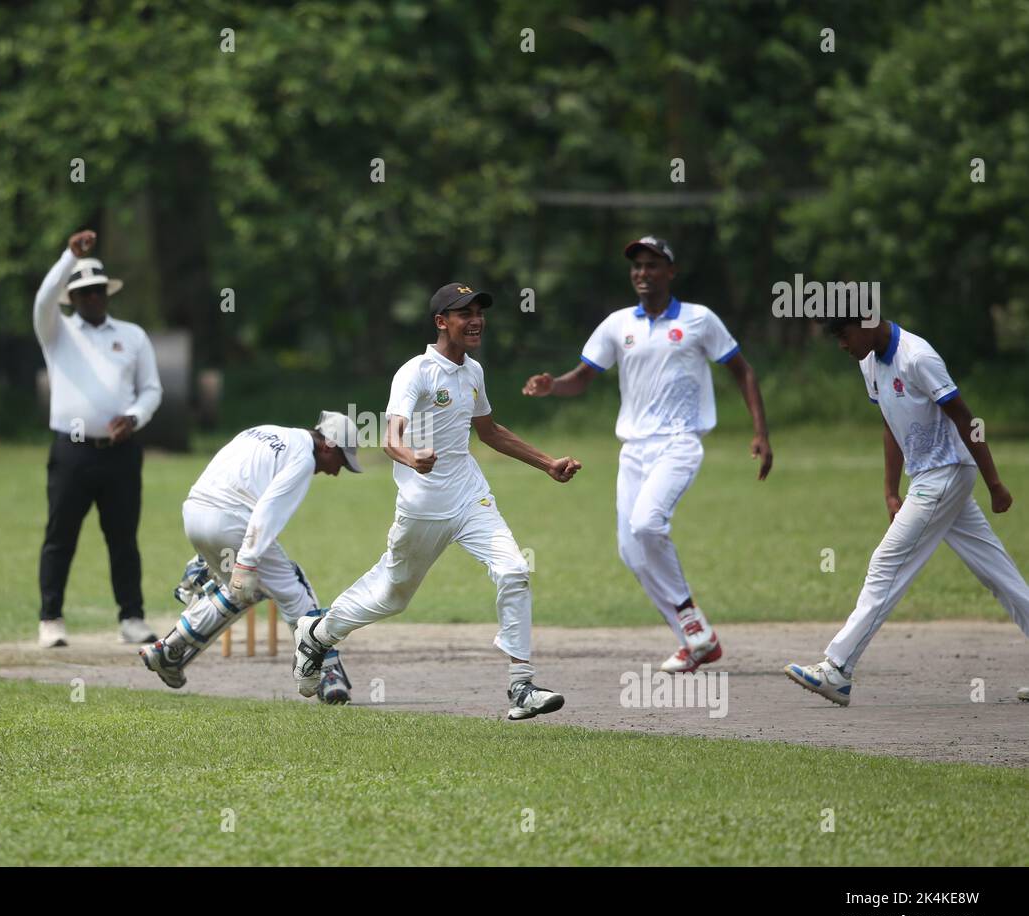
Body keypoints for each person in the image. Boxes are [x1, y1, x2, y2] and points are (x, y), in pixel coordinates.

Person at [292, 283, 582, 720]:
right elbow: (390, 437)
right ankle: (316, 637)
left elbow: (490, 432)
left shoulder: (473, 372)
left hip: (470, 498)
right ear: (441, 322)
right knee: (392, 597)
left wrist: (547, 463)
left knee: (514, 570)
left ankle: (521, 685)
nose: (476, 319)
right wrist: (413, 458)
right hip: (423, 507)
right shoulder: (416, 373)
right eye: (464, 312)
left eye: (479, 311)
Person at [523, 236, 772, 673]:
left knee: (647, 524)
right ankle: (696, 642)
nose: (642, 273)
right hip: (633, 450)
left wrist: (760, 433)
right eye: (637, 266)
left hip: (679, 443)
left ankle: (691, 621)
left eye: (652, 265)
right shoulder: (619, 324)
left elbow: (742, 371)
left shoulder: (699, 320)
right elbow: (583, 377)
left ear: (670, 272)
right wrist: (553, 386)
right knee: (630, 550)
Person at [784, 316, 1029, 705]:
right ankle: (837, 669)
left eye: (843, 334)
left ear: (867, 322)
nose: (841, 345)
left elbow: (967, 419)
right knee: (998, 573)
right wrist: (890, 490)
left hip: (945, 473)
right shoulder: (869, 361)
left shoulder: (918, 358)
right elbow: (889, 422)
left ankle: (837, 668)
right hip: (929, 478)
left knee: (886, 564)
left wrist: (994, 482)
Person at [140, 412, 361, 702]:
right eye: (341, 461)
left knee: (243, 590)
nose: (337, 471)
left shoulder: (266, 431)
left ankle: (169, 651)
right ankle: (325, 672)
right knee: (294, 588)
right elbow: (268, 510)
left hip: (195, 512)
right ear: (328, 446)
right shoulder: (303, 458)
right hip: (232, 521)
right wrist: (247, 559)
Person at [33, 230, 162, 648]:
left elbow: (152, 390)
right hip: (71, 450)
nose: (91, 298)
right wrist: (69, 257)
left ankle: (132, 617)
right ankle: (50, 618)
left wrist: (135, 417)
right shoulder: (57, 332)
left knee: (123, 537)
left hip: (120, 452)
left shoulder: (133, 335)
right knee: (60, 536)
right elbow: (42, 299)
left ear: (107, 294)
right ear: (72, 296)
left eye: (96, 291)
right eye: (82, 292)